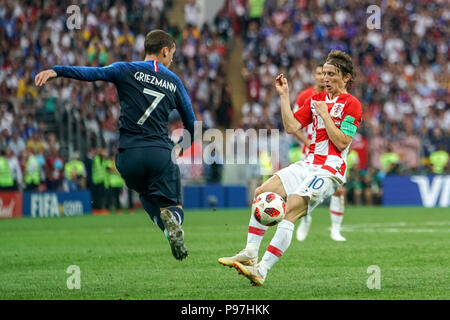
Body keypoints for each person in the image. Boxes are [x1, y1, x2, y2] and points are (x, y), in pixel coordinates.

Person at [35, 29, 196, 261]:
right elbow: (193, 126)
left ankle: (166, 231)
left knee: (145, 194)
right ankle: (174, 226)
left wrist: (56, 71)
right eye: (172, 53)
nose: (172, 59)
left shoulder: (125, 69)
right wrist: (179, 146)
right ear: (164, 50)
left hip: (128, 156)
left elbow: (92, 73)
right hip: (161, 154)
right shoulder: (173, 81)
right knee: (173, 205)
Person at [218, 50, 362, 285]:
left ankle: (262, 270)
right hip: (308, 163)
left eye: (331, 74)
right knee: (261, 192)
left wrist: (325, 117)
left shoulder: (352, 105)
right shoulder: (314, 101)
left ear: (346, 78)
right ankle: (251, 252)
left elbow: (343, 142)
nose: (325, 78)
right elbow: (291, 125)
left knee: (291, 210)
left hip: (330, 169)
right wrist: (284, 96)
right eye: (324, 73)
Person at [293, 63, 347, 242]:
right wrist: (306, 141)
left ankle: (335, 229)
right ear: (315, 76)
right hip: (309, 151)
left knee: (338, 191)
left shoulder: (339, 98)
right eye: (318, 73)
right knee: (303, 192)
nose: (322, 77)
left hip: (331, 154)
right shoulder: (304, 97)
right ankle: (305, 220)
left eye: (326, 73)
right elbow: (294, 124)